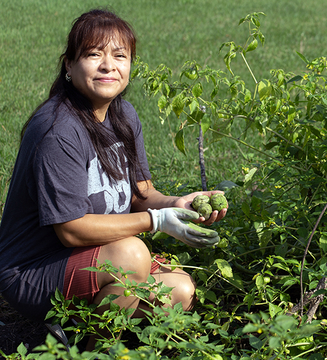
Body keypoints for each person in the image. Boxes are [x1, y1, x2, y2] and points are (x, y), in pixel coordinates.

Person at [0, 8, 226, 350]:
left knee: (180, 292)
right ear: (68, 65)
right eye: (94, 54)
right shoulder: (57, 130)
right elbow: (71, 229)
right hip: (33, 272)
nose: (109, 65)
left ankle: (72, 331)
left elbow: (141, 193)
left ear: (130, 64)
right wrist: (156, 221)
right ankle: (96, 352)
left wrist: (176, 204)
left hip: (94, 256)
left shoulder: (123, 115)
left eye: (120, 55)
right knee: (132, 256)